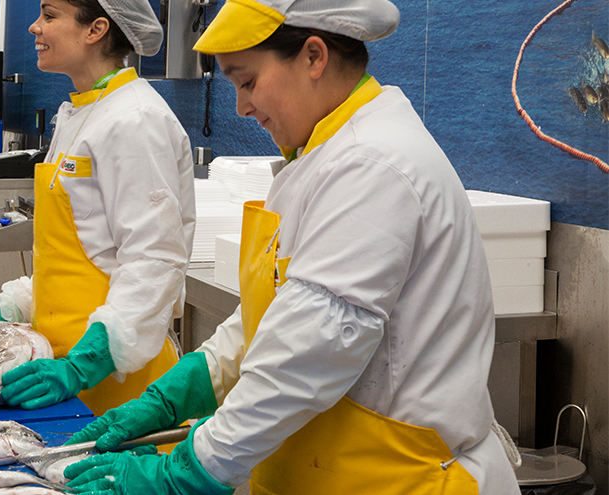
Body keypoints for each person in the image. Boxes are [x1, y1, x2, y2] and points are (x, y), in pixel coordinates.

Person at [60, 0, 523, 493]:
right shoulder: (321, 155)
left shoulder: (374, 165)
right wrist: (188, 385)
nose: (240, 106)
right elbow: (277, 315)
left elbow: (309, 348)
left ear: (314, 57)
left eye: (248, 82)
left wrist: (190, 468)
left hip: (401, 479)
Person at [0, 0, 195, 416]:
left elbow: (154, 261)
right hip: (60, 367)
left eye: (49, 15)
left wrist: (85, 365)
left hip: (116, 380)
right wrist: (9, 312)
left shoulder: (135, 119)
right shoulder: (80, 112)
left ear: (95, 29)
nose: (34, 28)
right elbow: (80, 253)